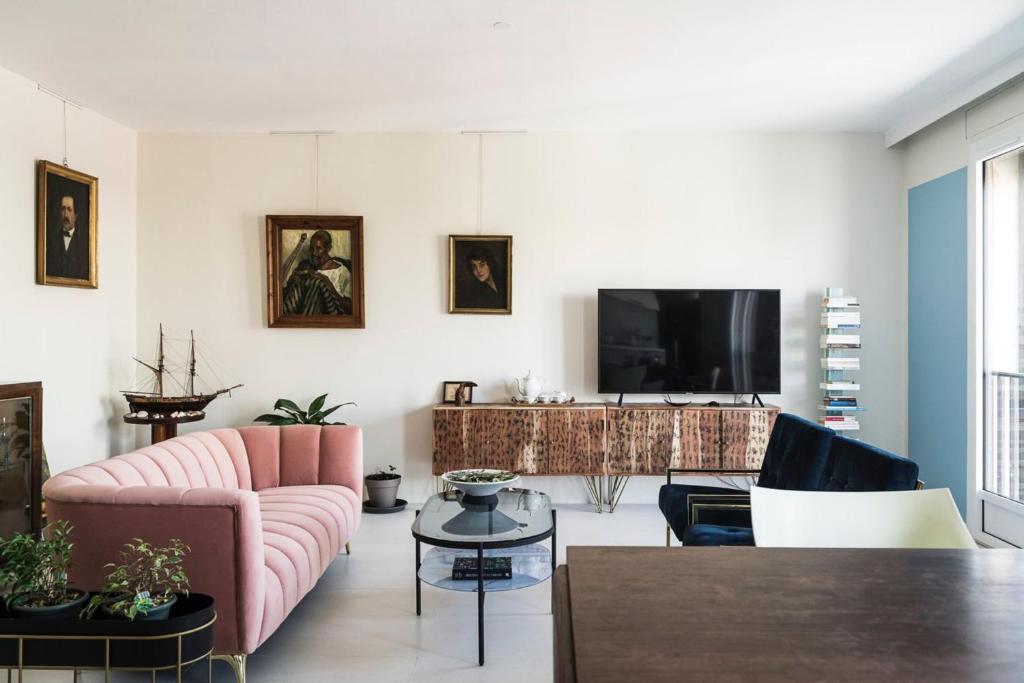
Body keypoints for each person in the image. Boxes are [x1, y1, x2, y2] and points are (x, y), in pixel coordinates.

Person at [283, 229, 353, 315]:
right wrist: (292, 282)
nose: (314, 253)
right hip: (304, 310)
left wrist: (328, 285)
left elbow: (350, 307)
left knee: (317, 282)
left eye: (319, 248)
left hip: (331, 313)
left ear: (328, 248)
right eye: (312, 249)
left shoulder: (341, 271)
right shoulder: (305, 266)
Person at [46, 195, 89, 280]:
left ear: (76, 215)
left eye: (69, 210)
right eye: (63, 209)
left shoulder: (84, 243)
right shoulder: (51, 239)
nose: (65, 214)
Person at [456, 245, 506, 309]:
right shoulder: (473, 293)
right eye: (474, 267)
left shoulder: (502, 280)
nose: (478, 270)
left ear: (490, 264)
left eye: (482, 265)